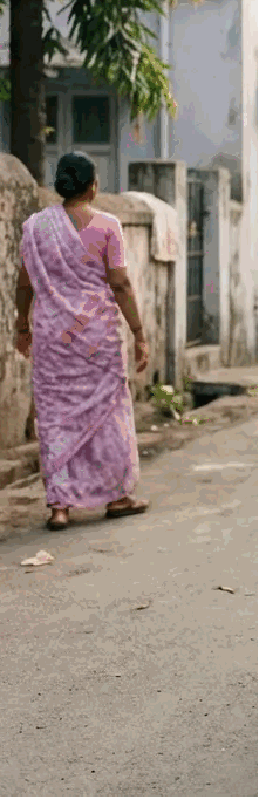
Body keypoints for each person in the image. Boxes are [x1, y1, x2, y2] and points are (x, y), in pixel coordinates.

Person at [14, 151, 151, 531]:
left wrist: (20, 326)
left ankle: (60, 506)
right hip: (98, 339)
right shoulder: (108, 225)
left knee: (56, 418)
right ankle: (118, 496)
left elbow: (24, 284)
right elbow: (120, 284)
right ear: (93, 186)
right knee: (109, 416)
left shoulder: (36, 228)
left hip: (52, 339)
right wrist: (139, 333)